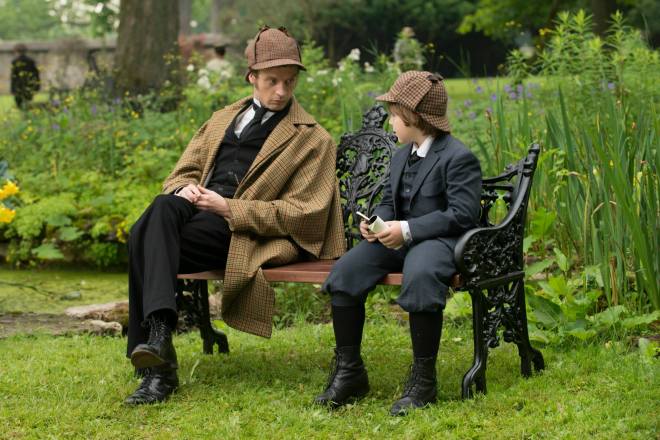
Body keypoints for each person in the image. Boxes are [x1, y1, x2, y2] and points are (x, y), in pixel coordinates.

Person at [124, 26, 345, 405]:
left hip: (246, 233)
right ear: (251, 77)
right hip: (197, 216)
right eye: (272, 81)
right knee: (162, 205)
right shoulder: (222, 118)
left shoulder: (312, 138)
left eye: (289, 82)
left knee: (142, 237)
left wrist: (229, 208)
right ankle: (159, 340)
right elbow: (180, 173)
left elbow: (304, 214)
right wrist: (184, 188)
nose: (281, 91)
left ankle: (159, 364)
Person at [316, 71, 482, 416]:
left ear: (413, 116)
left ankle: (424, 382)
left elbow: (463, 214)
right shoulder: (401, 156)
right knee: (346, 271)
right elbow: (389, 203)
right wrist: (375, 223)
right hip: (399, 240)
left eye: (394, 114)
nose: (390, 121)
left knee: (420, 274)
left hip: (439, 242)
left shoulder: (457, 157)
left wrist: (406, 229)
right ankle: (350, 372)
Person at [10, 44, 40, 110]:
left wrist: (12, 89)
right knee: (28, 103)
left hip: (18, 87)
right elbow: (36, 75)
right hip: (29, 85)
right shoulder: (31, 61)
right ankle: (26, 114)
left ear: (16, 51)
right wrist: (37, 86)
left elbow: (13, 77)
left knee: (20, 104)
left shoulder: (15, 62)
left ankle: (24, 114)